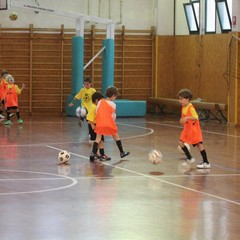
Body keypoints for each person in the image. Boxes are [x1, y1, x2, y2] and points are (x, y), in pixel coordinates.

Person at [89, 86, 130, 161]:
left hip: (100, 123)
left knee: (98, 138)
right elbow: (113, 116)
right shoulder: (113, 104)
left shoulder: (100, 101)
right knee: (116, 136)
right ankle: (122, 152)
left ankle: (92, 153)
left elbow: (97, 111)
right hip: (109, 123)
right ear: (113, 95)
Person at [177, 88, 211, 169]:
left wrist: (187, 118)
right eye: (179, 99)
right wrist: (181, 120)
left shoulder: (190, 107)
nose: (180, 101)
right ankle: (190, 158)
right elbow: (184, 119)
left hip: (194, 130)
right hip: (186, 130)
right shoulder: (183, 107)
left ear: (187, 99)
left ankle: (206, 162)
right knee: (180, 142)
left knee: (199, 145)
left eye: (181, 99)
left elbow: (196, 117)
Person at [87, 91, 111, 161]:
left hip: (97, 125)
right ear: (97, 100)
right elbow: (89, 117)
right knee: (100, 140)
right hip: (94, 125)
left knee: (99, 140)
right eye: (100, 101)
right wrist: (92, 125)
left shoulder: (95, 106)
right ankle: (101, 154)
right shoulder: (93, 107)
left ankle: (96, 153)